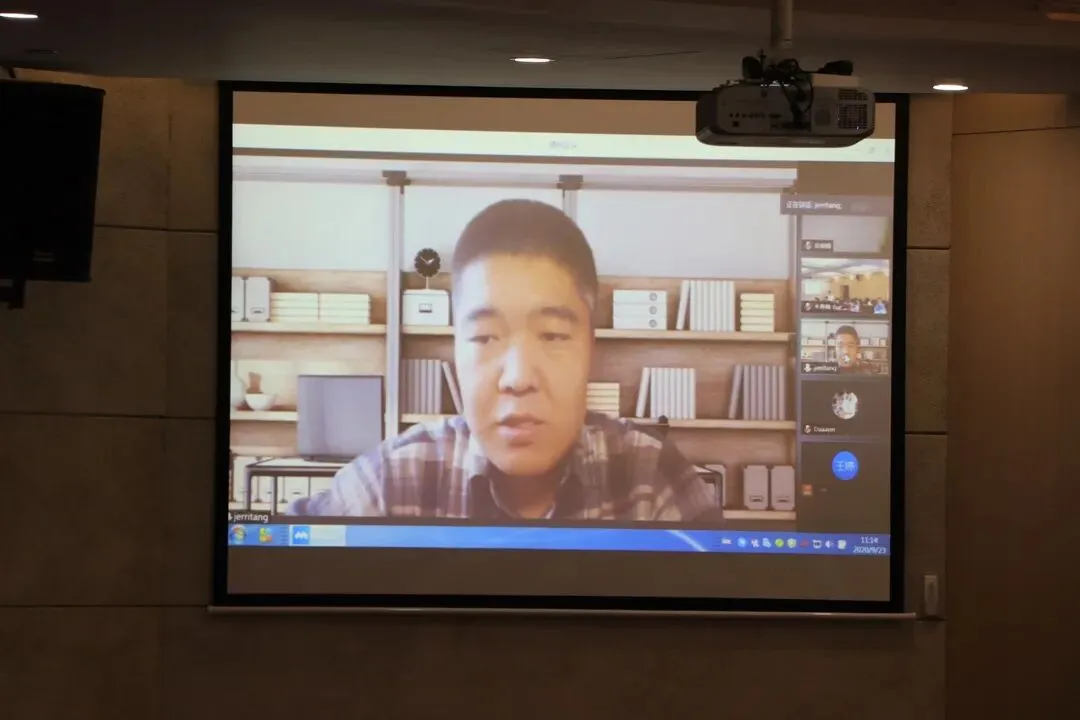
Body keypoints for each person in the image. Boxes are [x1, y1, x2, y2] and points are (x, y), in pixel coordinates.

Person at [291, 198, 718, 522]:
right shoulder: (389, 483)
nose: (517, 378)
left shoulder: (650, 477)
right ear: (455, 350)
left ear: (592, 349)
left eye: (552, 335)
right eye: (484, 337)